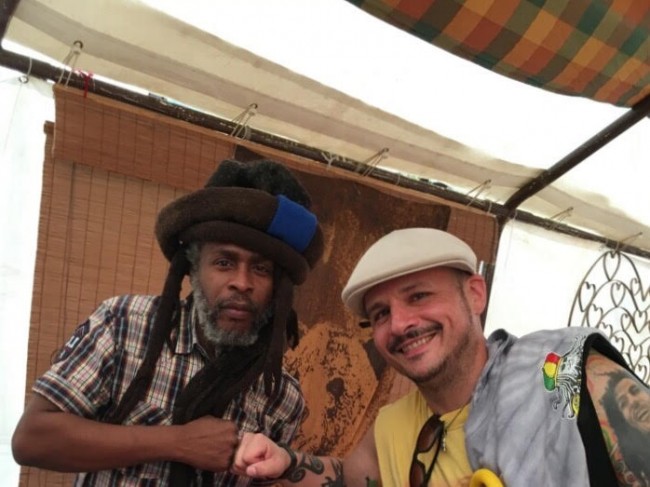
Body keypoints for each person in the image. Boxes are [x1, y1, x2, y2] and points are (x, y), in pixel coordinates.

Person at [233, 227, 649, 487]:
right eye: (381, 314)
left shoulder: (562, 375)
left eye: (418, 296)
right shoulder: (391, 427)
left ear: (475, 294)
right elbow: (348, 478)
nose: (400, 324)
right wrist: (286, 460)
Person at [12, 159, 324, 486]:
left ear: (279, 287)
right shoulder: (124, 323)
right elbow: (32, 440)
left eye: (261, 269)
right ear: (193, 268)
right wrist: (178, 442)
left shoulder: (282, 396)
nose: (242, 283)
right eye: (224, 262)